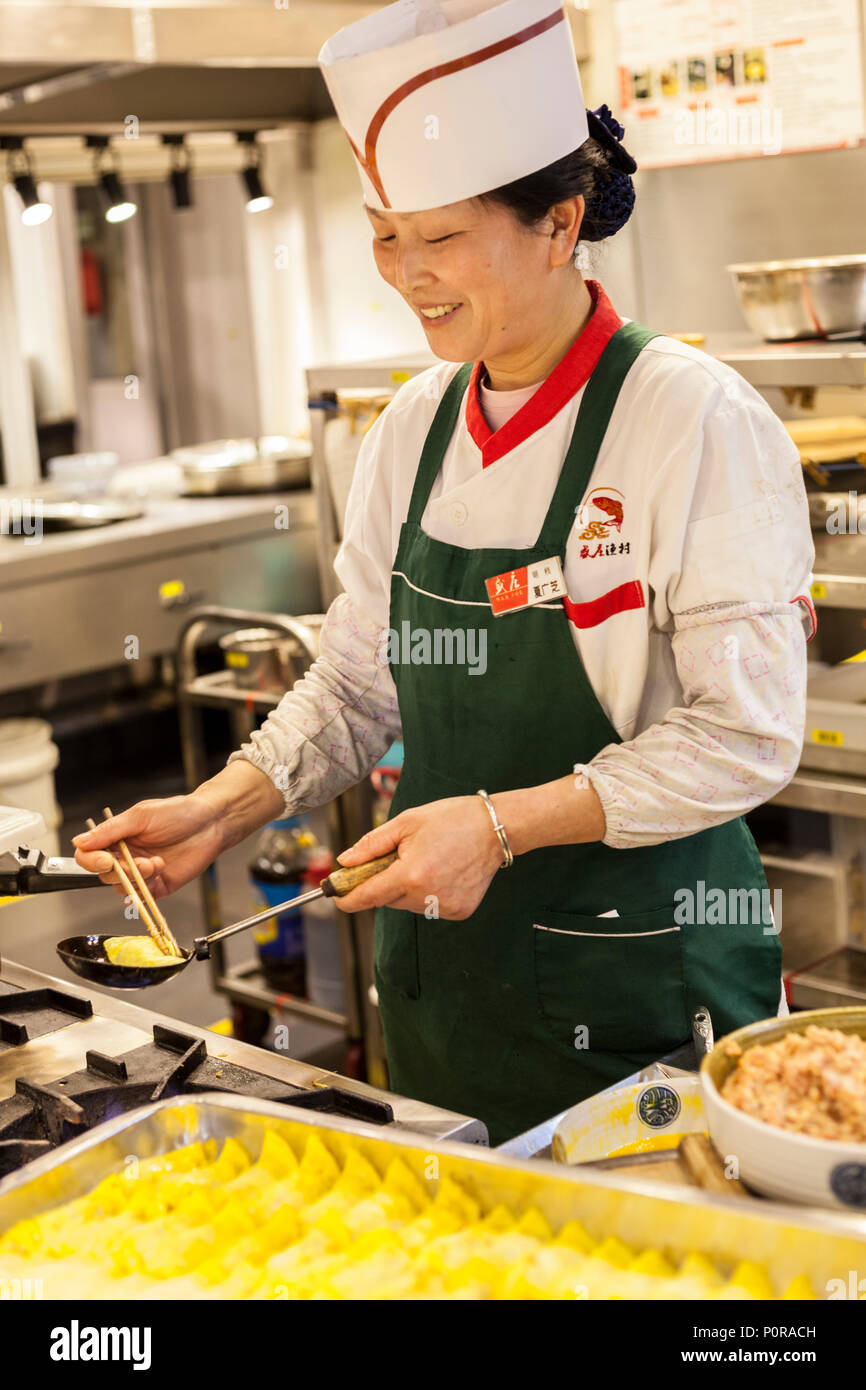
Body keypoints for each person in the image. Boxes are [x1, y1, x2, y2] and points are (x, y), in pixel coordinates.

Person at [75, 0, 815, 1144]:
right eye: (384, 235)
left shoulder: (689, 418)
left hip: (641, 996)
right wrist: (224, 807)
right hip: (446, 1002)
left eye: (440, 238)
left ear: (561, 223)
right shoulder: (410, 426)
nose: (405, 276)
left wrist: (502, 824)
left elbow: (745, 732)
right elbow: (358, 685)